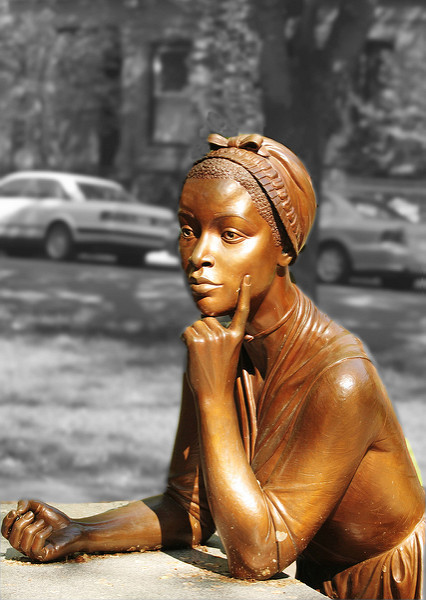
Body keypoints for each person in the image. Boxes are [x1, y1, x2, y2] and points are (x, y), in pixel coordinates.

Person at [2, 133, 424, 600]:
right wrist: (80, 533)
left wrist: (214, 394)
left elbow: (257, 556)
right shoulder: (218, 348)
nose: (199, 255)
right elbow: (189, 507)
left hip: (389, 582)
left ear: (284, 248)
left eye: (230, 234)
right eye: (188, 230)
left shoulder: (343, 379)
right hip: (312, 574)